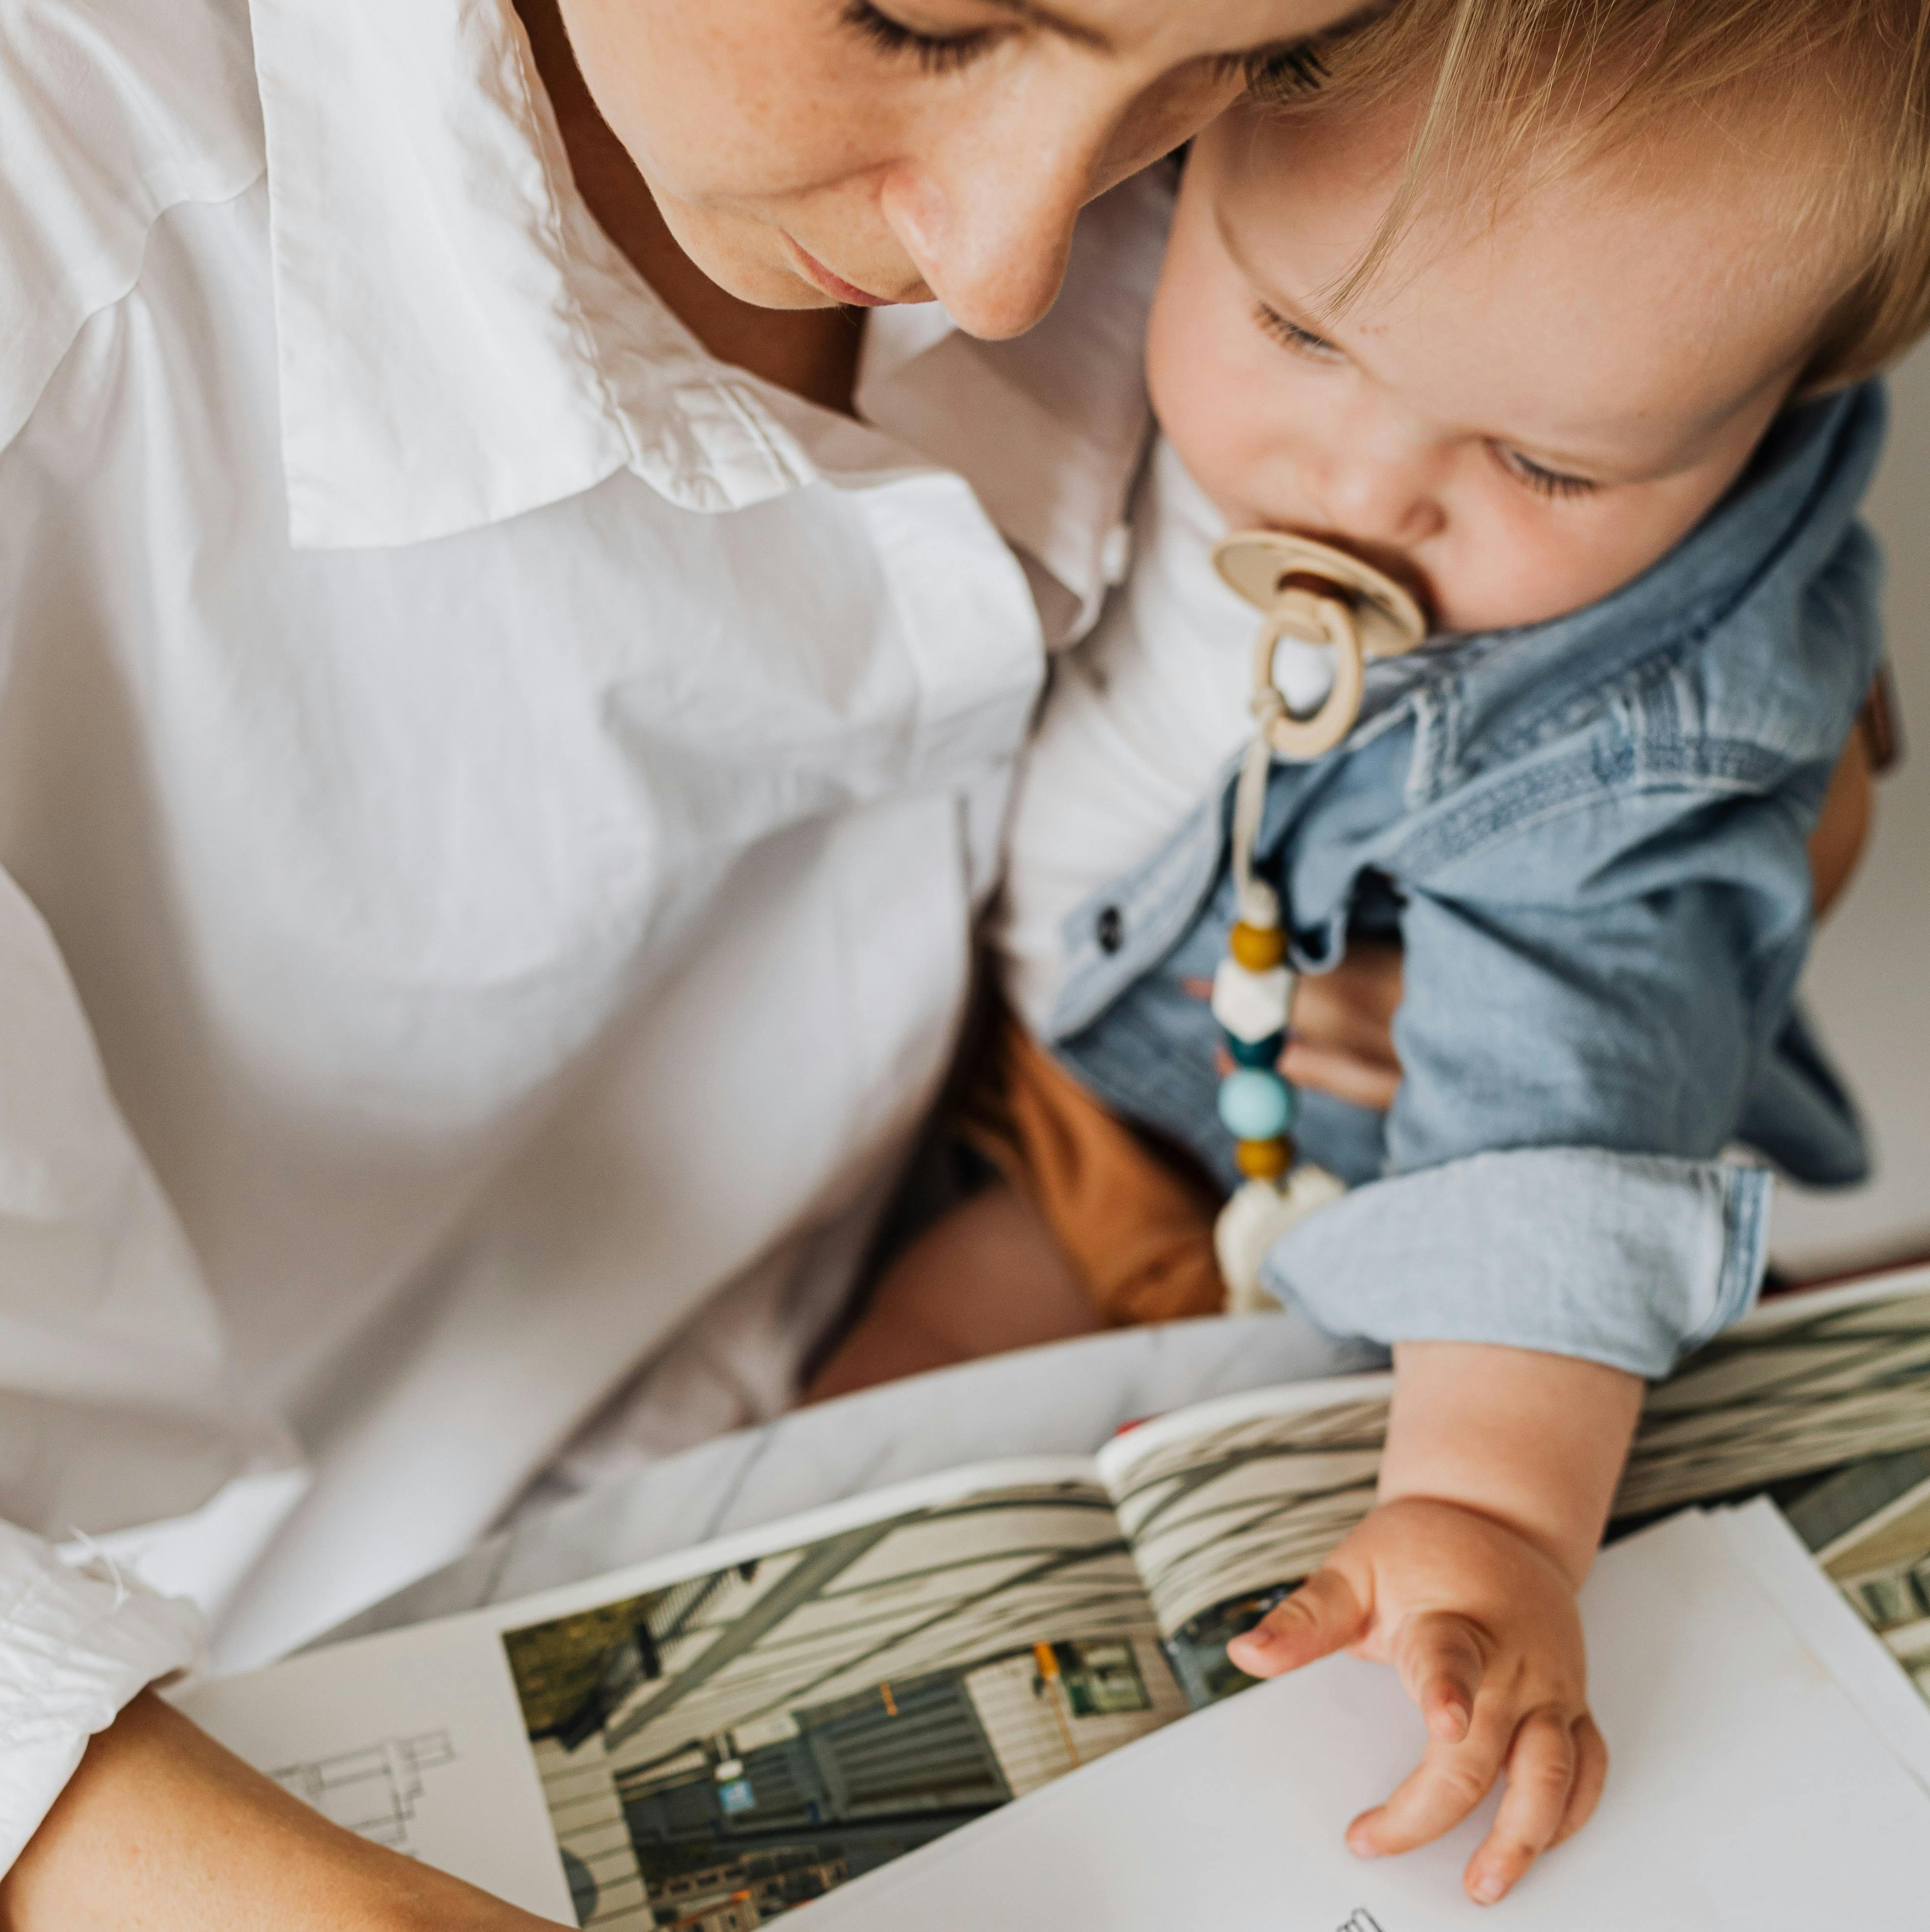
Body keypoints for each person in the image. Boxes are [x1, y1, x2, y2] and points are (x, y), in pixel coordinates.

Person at [0, 0, 1422, 1926]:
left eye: (1245, 66)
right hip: (229, 1681)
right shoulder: (62, 229)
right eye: (923, 18)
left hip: (938, 1408)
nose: (1008, 264)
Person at [810, 0, 1930, 1903]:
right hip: (1075, 1106)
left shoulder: (1636, 720)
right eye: (1300, 335)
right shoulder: (1083, 199)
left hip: (1367, 1258)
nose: (1367, 483)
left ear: (1782, 405)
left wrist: (1490, 1509)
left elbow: (1554, 1114)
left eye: (1546, 465)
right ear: (1198, 131)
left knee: (1226, 1613)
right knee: (854, 1468)